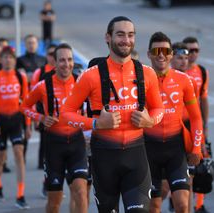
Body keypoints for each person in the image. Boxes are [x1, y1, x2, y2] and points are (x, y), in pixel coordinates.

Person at [61, 16, 165, 212]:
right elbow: (66, 113)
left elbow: (159, 109)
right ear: (108, 37)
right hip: (104, 158)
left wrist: (150, 120)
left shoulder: (147, 73)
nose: (126, 40)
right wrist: (95, 124)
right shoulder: (90, 75)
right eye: (120, 34)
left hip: (137, 156)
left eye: (130, 35)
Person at [21, 43, 88, 213]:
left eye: (70, 60)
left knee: (80, 192)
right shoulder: (44, 85)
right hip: (53, 146)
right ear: (55, 63)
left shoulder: (81, 83)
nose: (67, 64)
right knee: (54, 202)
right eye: (62, 60)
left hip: (76, 144)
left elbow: (90, 109)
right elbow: (24, 106)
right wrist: (41, 117)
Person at [144, 32, 203, 213]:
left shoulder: (183, 80)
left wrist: (196, 147)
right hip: (148, 150)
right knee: (154, 206)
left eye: (165, 50)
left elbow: (195, 117)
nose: (161, 54)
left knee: (182, 204)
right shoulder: (140, 79)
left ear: (171, 54)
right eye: (156, 50)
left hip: (176, 149)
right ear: (149, 54)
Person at [0, 46, 31, 209]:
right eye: (5, 57)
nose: (8, 60)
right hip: (0, 121)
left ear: (14, 59)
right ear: (1, 59)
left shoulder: (21, 76)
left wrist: (27, 125)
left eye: (10, 57)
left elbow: (26, 102)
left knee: (19, 154)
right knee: (0, 158)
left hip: (16, 119)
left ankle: (20, 195)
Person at [183, 37, 211, 213]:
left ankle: (199, 205)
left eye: (196, 50)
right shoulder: (177, 73)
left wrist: (205, 126)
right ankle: (177, 198)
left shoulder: (202, 71)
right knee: (184, 168)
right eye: (189, 51)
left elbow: (204, 99)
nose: (193, 54)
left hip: (197, 125)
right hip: (181, 125)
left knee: (202, 166)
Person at [31, 44, 57, 170]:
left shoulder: (64, 72)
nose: (52, 57)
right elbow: (32, 96)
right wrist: (36, 118)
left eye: (54, 54)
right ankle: (42, 162)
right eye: (49, 54)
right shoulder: (40, 72)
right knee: (44, 139)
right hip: (44, 113)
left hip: (59, 115)